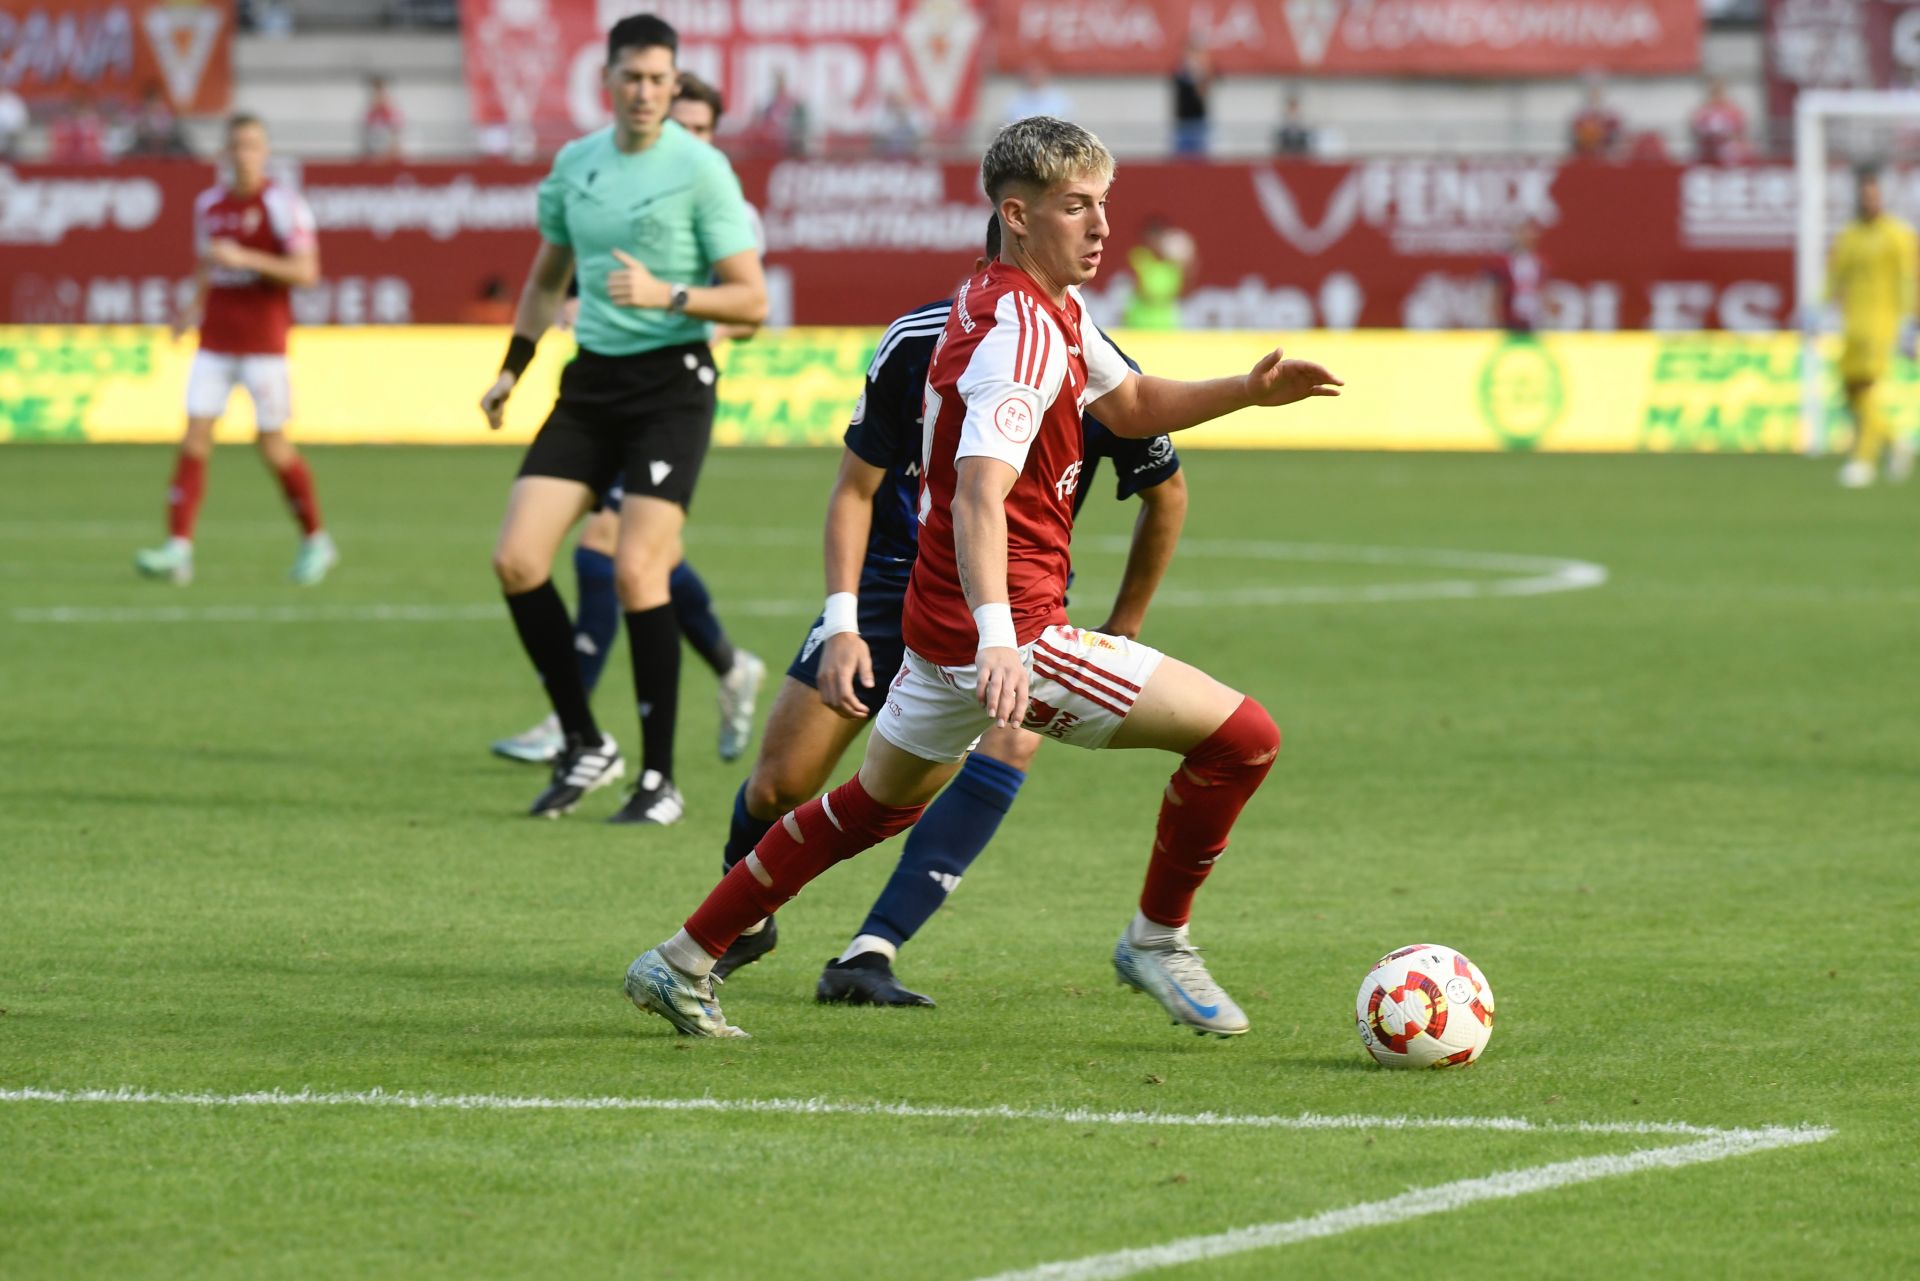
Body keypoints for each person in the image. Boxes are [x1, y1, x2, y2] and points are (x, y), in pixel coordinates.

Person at [624, 116, 1340, 1040]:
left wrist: (1245, 388)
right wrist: (1004, 641)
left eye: (1103, 205)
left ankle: (681, 958)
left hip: (940, 626)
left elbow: (1129, 403)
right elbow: (975, 494)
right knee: (1244, 739)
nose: (1101, 227)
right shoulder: (1020, 336)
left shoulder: (1030, 306)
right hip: (1013, 631)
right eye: (1076, 206)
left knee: (869, 808)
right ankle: (1157, 938)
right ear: (1016, 213)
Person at [709, 214, 1190, 1006]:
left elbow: (1165, 493)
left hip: (1016, 608)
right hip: (891, 589)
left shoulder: (1093, 364)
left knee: (1010, 740)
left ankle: (870, 951)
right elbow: (854, 490)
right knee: (779, 784)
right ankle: (742, 915)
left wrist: (1126, 622)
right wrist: (840, 623)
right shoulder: (919, 342)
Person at [480, 13, 766, 823]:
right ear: (606, 81)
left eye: (659, 80)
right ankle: (584, 741)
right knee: (516, 559)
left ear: (675, 85)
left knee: (640, 568)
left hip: (672, 386)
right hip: (590, 385)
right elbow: (545, 281)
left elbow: (752, 297)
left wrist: (669, 294)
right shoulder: (576, 167)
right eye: (632, 78)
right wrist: (512, 369)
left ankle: (659, 780)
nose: (646, 93)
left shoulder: (702, 170)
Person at [136, 113, 332, 587]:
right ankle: (178, 549)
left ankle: (316, 539)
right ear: (225, 153)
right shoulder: (209, 205)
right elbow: (206, 265)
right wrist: (189, 310)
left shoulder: (283, 206)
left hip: (264, 345)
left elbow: (307, 272)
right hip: (215, 342)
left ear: (264, 153)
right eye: (237, 145)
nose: (244, 154)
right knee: (194, 437)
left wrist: (246, 258)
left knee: (272, 446)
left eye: (252, 145)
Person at [1827, 168, 1917, 488]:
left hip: (1883, 323)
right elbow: (1836, 277)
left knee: (1866, 386)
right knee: (1849, 390)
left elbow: (1908, 280)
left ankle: (1863, 460)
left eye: (1874, 196)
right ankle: (1896, 441)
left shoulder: (1897, 235)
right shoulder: (1849, 236)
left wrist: (1910, 322)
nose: (1869, 202)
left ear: (1883, 198)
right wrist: (1819, 307)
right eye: (1865, 196)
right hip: (1852, 323)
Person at [1122, 217, 1194, 331]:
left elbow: (1184, 292)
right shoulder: (1139, 257)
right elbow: (1145, 290)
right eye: (1151, 237)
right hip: (1139, 324)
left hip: (1166, 325)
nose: (1154, 242)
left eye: (1158, 237)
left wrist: (1188, 263)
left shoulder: (1173, 265)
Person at [1486, 220, 1547, 333]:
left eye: (1532, 234)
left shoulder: (1539, 263)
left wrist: (1547, 305)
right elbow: (1497, 291)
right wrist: (1496, 315)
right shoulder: (1505, 262)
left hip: (1534, 316)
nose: (1529, 237)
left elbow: (1543, 289)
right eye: (1525, 233)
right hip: (1510, 317)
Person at [1689, 77, 1748, 167]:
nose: (1716, 93)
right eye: (1713, 90)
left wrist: (1726, 136)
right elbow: (1696, 129)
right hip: (1707, 148)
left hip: (1728, 148)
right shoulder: (1703, 111)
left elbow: (1739, 131)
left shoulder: (1732, 110)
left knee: (1732, 150)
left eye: (1718, 90)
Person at [1171, 43, 1212, 158]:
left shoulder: (1202, 72)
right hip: (1183, 122)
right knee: (1182, 160)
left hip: (1198, 121)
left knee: (1200, 159)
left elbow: (1202, 92)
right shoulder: (1180, 71)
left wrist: (1201, 70)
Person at [1568, 76, 1622, 160]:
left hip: (1606, 155)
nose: (1595, 94)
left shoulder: (1610, 114)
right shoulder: (1579, 115)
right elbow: (1574, 137)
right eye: (1592, 91)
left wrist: (1603, 135)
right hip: (1584, 155)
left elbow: (1616, 135)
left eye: (1597, 90)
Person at [1006, 62, 1072, 125]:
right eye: (1029, 74)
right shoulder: (1015, 100)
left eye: (1037, 74)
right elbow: (1007, 122)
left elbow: (1070, 121)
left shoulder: (1059, 98)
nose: (1033, 77)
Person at [361, 75, 403, 160]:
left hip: (388, 154)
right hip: (373, 153)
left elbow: (395, 135)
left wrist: (392, 150)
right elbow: (366, 134)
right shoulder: (370, 113)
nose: (376, 96)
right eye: (375, 93)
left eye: (379, 93)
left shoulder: (391, 112)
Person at [1273, 90, 1313, 158]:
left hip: (1299, 138)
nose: (1293, 107)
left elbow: (1303, 127)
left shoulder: (1300, 115)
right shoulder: (1285, 115)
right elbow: (1282, 127)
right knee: (1283, 137)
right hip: (1287, 138)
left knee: (1303, 137)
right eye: (1291, 105)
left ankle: (1301, 156)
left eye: (1294, 105)